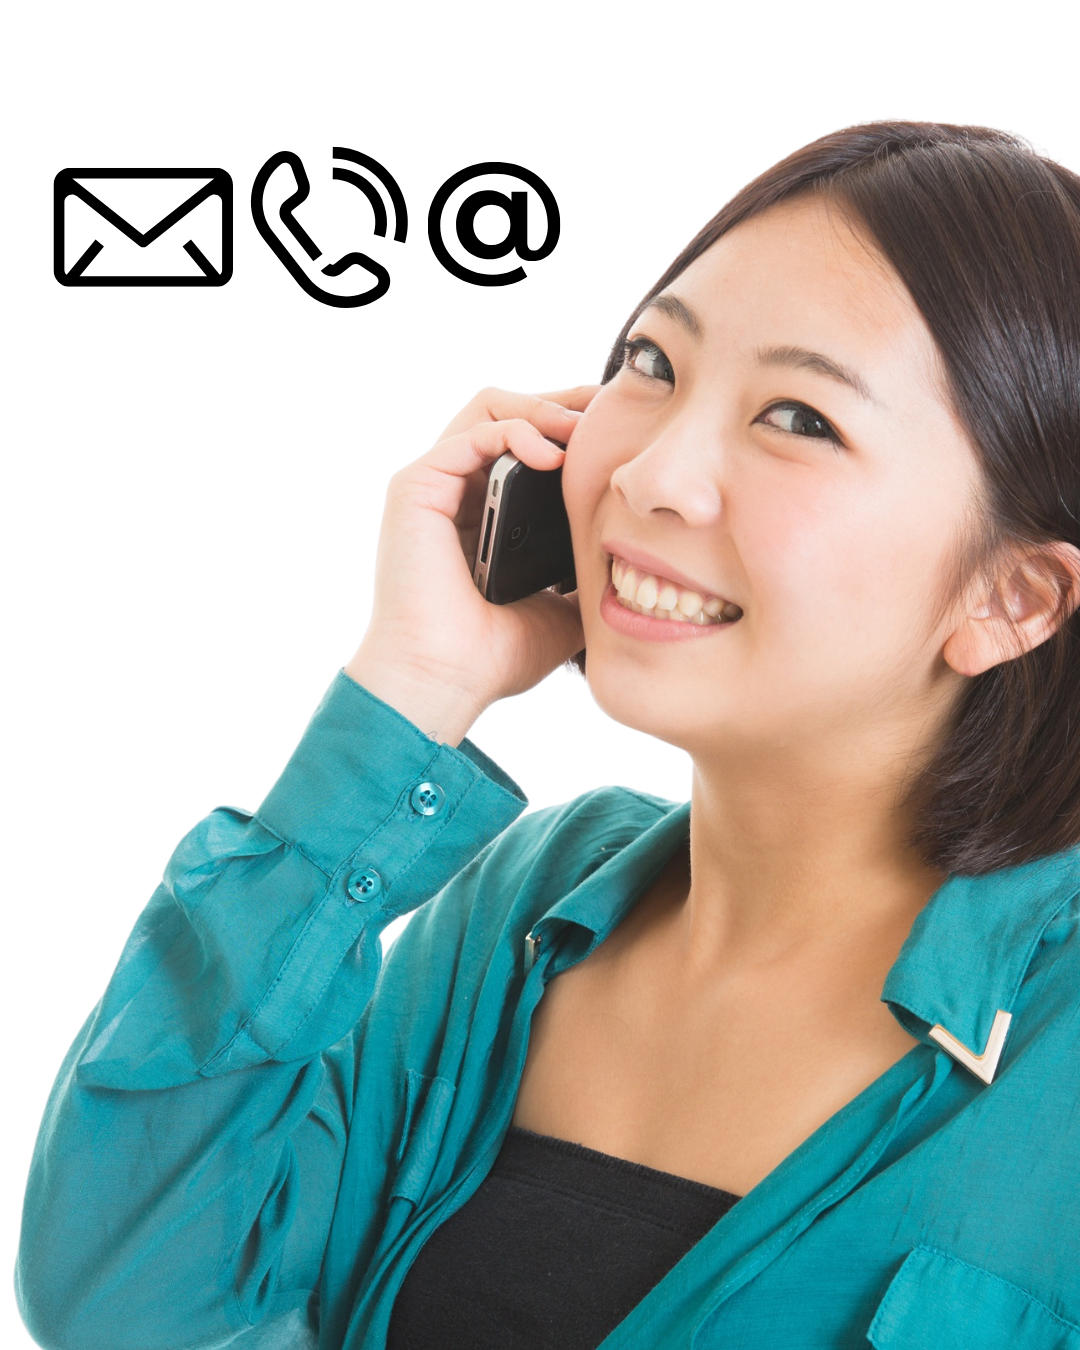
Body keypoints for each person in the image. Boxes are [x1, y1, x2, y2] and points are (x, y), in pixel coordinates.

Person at [15, 119, 1080, 1348]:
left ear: (1010, 599)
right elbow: (120, 1302)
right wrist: (409, 691)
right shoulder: (525, 909)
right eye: (651, 362)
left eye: (798, 418)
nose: (656, 474)